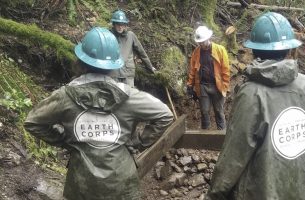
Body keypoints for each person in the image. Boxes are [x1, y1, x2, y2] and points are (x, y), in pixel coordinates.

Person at [24, 27, 174, 200]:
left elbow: (33, 122)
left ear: (80, 61)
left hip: (81, 183)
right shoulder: (129, 96)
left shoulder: (65, 96)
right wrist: (139, 142)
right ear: (115, 65)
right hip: (121, 184)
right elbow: (165, 115)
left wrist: (63, 140)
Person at [206, 12, 305, 200]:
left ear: (254, 51)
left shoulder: (251, 94)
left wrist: (214, 195)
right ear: (289, 49)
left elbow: (234, 155)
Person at [186, 25, 230, 130]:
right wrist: (190, 85)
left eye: (203, 42)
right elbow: (193, 70)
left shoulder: (220, 50)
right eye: (199, 42)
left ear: (208, 39)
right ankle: (205, 135)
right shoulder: (196, 52)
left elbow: (226, 70)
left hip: (217, 85)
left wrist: (224, 86)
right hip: (203, 86)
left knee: (218, 111)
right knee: (204, 111)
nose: (201, 44)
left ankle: (222, 135)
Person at [108, 10, 156, 87]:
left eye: (122, 24)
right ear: (113, 24)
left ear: (125, 25)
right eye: (118, 24)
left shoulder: (131, 35)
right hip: (113, 73)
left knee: (130, 96)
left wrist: (150, 67)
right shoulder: (108, 35)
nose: (120, 27)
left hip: (128, 74)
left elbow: (141, 53)